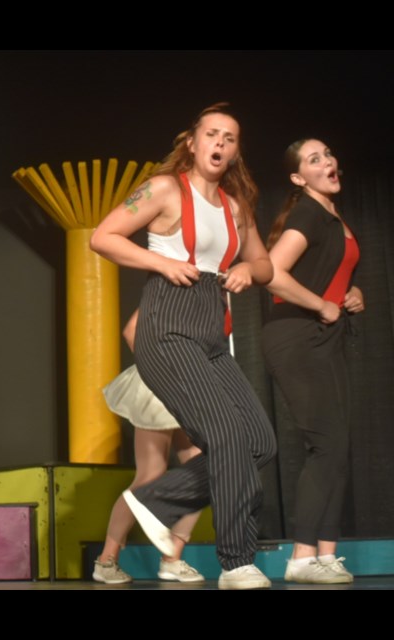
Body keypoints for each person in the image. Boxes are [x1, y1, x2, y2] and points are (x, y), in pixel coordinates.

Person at [90, 103, 277, 590]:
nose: (220, 143)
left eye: (230, 138)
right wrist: (160, 265)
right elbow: (104, 237)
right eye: (211, 134)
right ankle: (237, 562)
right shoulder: (165, 188)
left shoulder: (237, 205)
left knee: (259, 440)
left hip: (212, 329)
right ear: (192, 143)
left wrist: (245, 270)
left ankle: (151, 501)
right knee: (227, 438)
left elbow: (265, 267)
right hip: (169, 323)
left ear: (236, 152)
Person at [262, 139, 361, 585]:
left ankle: (326, 555)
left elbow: (333, 274)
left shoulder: (332, 217)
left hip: (327, 338)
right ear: (299, 179)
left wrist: (350, 295)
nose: (328, 162)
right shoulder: (307, 211)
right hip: (297, 336)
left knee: (336, 447)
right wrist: (322, 305)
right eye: (314, 160)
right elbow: (272, 273)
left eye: (329, 154)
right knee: (327, 445)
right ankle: (301, 560)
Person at [93, 311, 204, 584]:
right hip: (160, 385)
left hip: (190, 387)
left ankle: (172, 559)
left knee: (204, 471)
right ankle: (106, 560)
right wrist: (160, 374)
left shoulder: (217, 298)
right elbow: (132, 330)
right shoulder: (174, 284)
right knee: (150, 475)